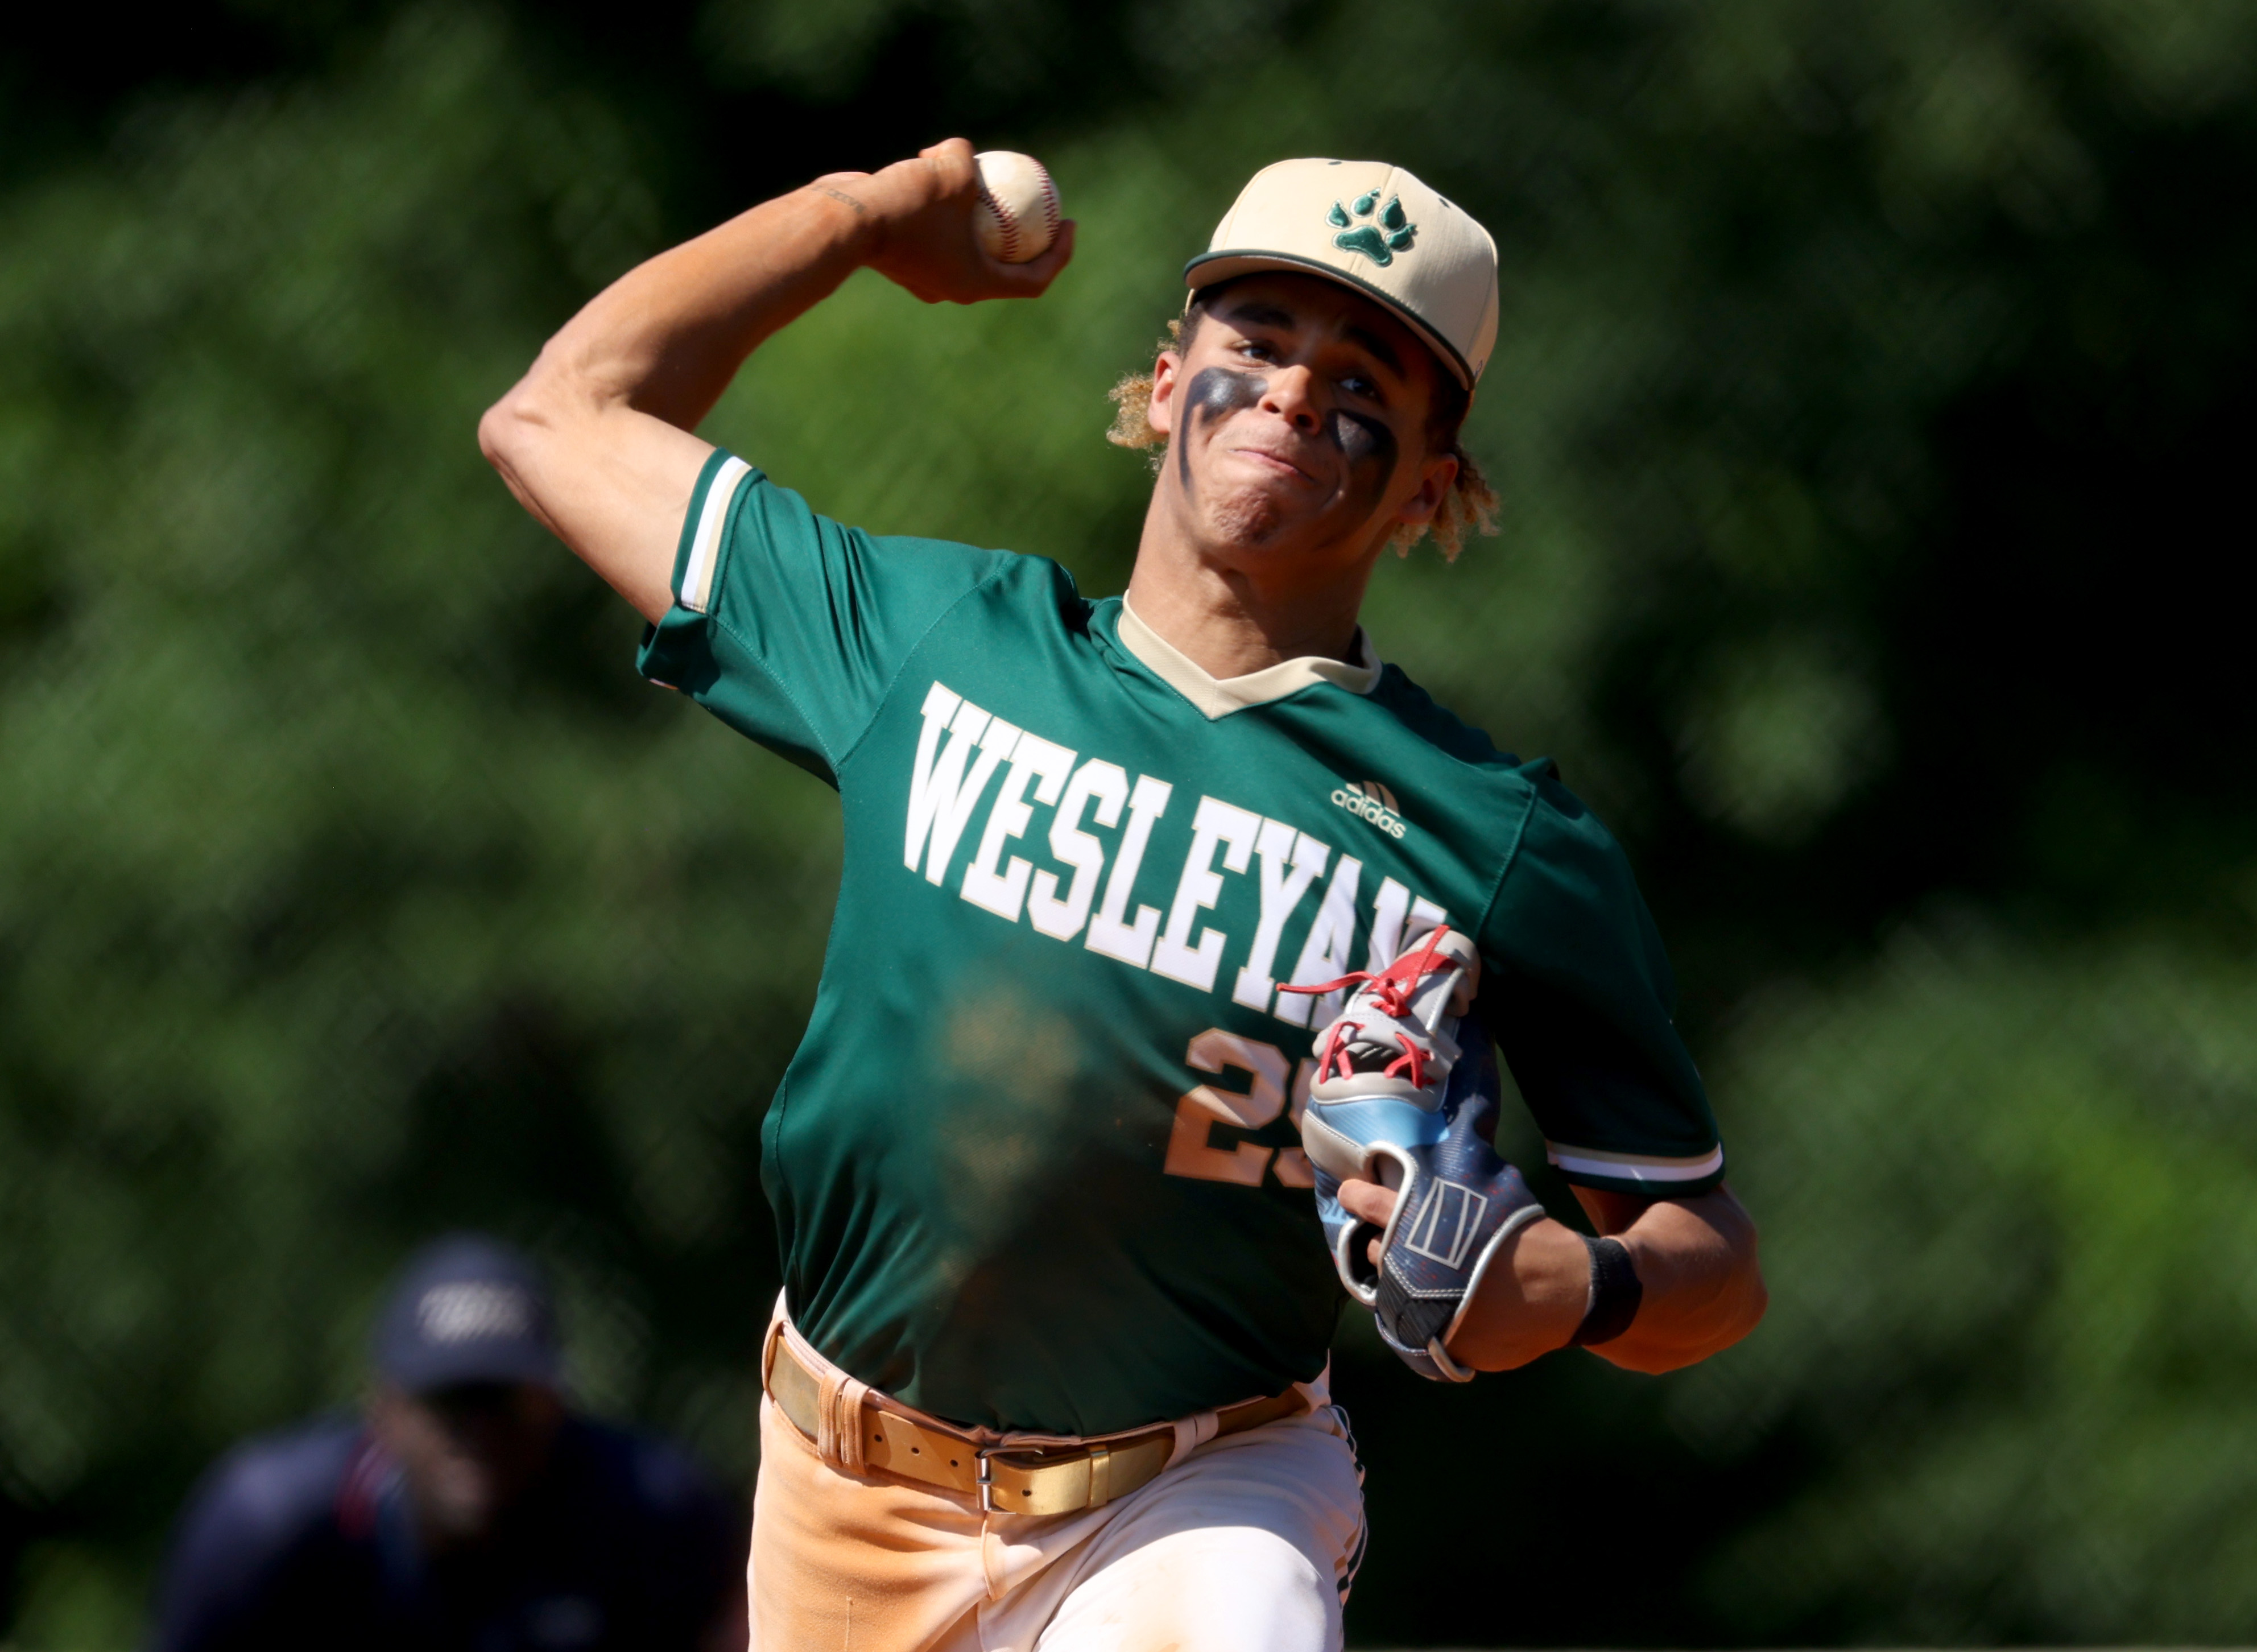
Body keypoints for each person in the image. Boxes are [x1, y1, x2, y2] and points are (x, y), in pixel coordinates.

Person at [478, 143, 1768, 1652]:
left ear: (1435, 483)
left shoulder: (1494, 838)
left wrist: (1590, 1286)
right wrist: (858, 220)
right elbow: (555, 417)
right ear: (1165, 386)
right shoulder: (938, 643)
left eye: (1365, 379)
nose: (1295, 390)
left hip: (1200, 1487)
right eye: (1258, 344)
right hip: (841, 1478)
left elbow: (1710, 1259)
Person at [151, 1234, 746, 1652]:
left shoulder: (656, 1516)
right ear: (384, 1412)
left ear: (557, 1406)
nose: (478, 1433)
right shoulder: (267, 1528)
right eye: (450, 1403)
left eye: (505, 1401)